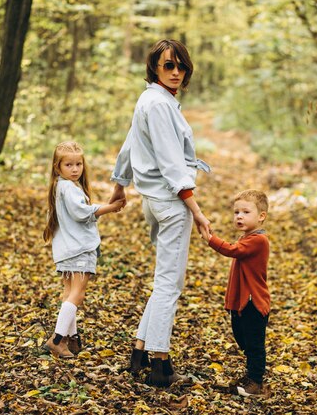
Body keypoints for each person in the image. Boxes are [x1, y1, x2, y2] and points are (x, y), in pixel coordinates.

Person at [109, 39, 212, 386]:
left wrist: (120, 182)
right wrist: (196, 210)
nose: (176, 72)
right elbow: (170, 162)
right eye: (169, 65)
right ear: (154, 66)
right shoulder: (158, 104)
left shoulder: (153, 100)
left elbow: (129, 143)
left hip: (153, 201)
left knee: (163, 282)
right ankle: (160, 364)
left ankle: (139, 353)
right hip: (170, 203)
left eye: (181, 65)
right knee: (170, 284)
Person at [43, 141, 125, 358]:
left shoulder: (62, 187)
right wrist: (111, 208)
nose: (75, 169)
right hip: (78, 249)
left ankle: (72, 339)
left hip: (68, 249)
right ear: (57, 167)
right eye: (68, 165)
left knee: (69, 293)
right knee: (77, 295)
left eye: (78, 164)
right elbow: (82, 213)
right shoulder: (68, 188)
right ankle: (57, 339)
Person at [201, 189, 271, 397]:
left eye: (246, 212)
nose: (239, 216)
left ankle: (256, 383)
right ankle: (251, 375)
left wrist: (210, 238)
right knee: (243, 338)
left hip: (253, 302)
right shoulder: (247, 237)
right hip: (241, 302)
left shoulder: (258, 240)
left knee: (254, 343)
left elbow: (233, 250)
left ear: (261, 216)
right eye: (236, 212)